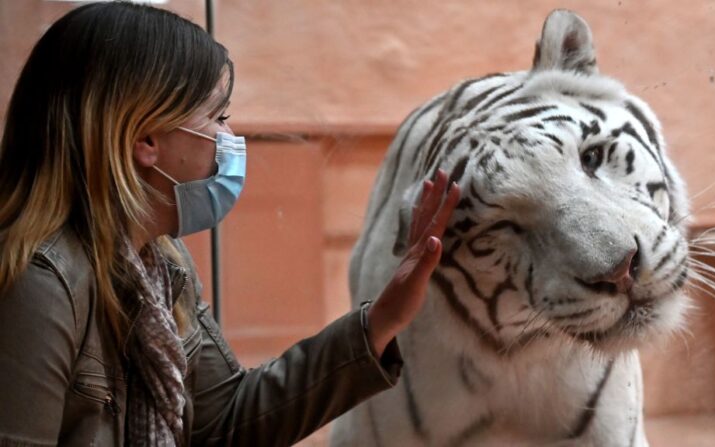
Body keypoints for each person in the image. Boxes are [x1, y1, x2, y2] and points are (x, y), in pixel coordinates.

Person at [0, 2, 460, 446]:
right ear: (145, 138)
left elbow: (225, 422)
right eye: (218, 118)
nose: (230, 140)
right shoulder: (41, 285)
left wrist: (381, 320)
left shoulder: (162, 266)